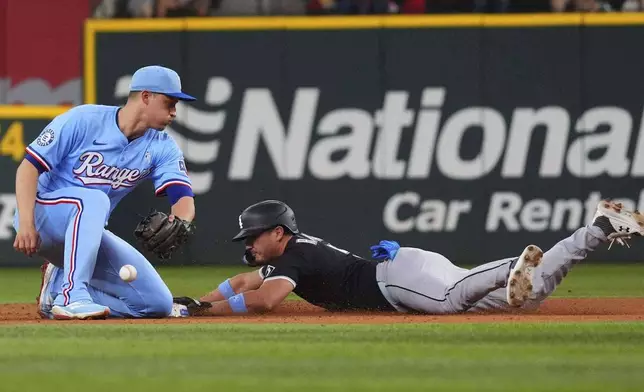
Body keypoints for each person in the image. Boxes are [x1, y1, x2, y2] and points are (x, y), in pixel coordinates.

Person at [172, 199, 643, 316]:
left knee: (451, 302)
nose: (248, 246)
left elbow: (266, 299)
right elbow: (242, 282)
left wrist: (209, 311)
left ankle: (508, 267)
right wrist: (197, 302)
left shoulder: (288, 259)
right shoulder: (290, 252)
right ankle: (596, 230)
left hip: (395, 282)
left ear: (277, 233)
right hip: (402, 269)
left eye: (252, 238)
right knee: (529, 297)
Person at [13, 65, 197, 320]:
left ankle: (55, 293)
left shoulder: (163, 147)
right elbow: (28, 169)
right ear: (146, 97)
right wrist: (25, 222)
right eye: (169, 102)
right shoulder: (84, 120)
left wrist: (180, 221)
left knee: (157, 304)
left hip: (86, 234)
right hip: (44, 216)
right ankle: (72, 296)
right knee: (93, 200)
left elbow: (182, 197)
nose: (174, 112)